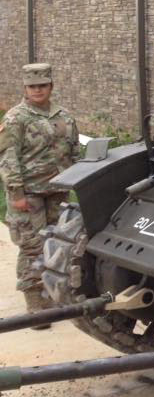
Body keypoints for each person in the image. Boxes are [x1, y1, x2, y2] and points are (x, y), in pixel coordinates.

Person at [0, 63, 79, 320]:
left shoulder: (64, 116)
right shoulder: (15, 118)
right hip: (29, 194)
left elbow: (75, 152)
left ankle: (52, 296)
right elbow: (7, 158)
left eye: (42, 85)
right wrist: (16, 194)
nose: (37, 90)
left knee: (56, 245)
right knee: (32, 246)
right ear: (25, 87)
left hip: (57, 191)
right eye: (32, 86)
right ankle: (34, 303)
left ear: (51, 86)